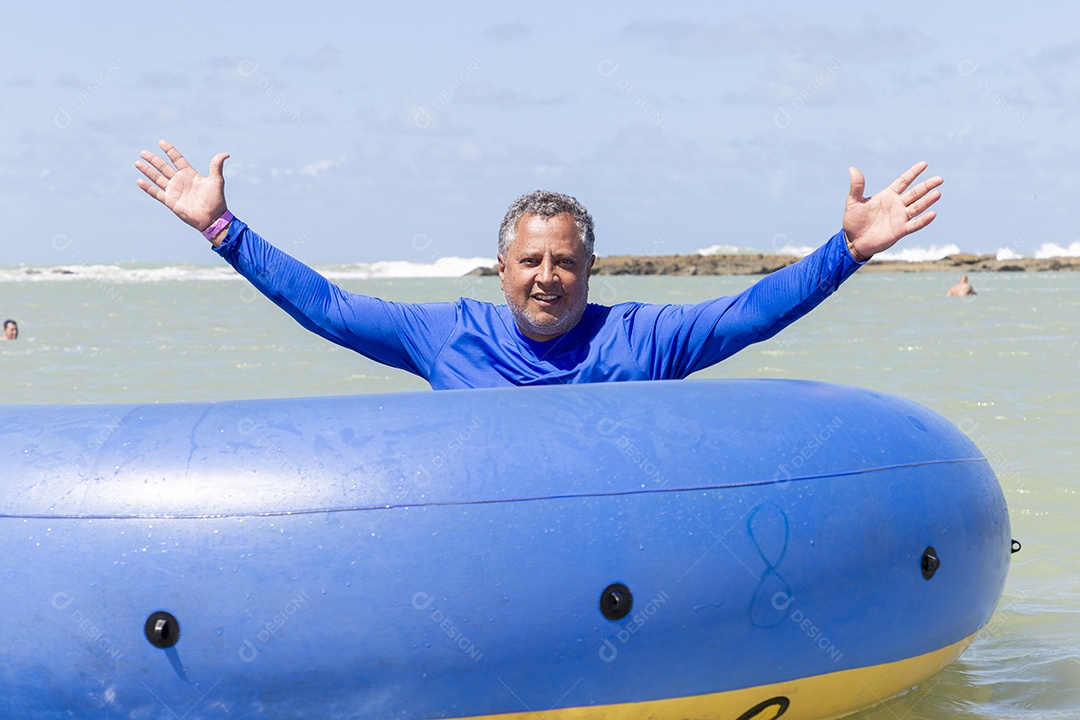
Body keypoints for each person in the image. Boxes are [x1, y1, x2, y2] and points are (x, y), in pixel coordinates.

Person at [135, 140, 941, 390]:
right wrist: (223, 229)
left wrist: (847, 253)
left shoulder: (642, 341)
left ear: (591, 270)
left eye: (564, 262)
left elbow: (753, 314)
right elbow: (331, 310)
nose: (546, 277)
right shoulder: (444, 335)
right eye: (530, 261)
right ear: (500, 265)